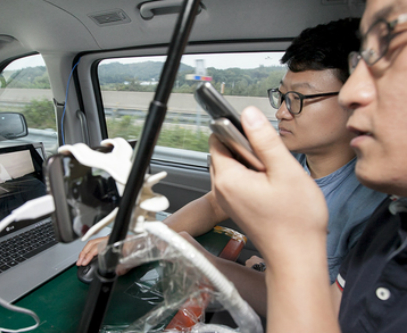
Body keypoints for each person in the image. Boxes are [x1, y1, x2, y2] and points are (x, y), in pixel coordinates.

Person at [78, 18, 386, 284]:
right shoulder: (288, 157)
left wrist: (208, 265)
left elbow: (331, 314)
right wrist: (140, 243)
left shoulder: (376, 210)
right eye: (281, 96)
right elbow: (215, 205)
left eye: (299, 98)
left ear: (357, 99)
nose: (281, 113)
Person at [207, 0, 407, 331]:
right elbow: (326, 315)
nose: (352, 93)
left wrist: (287, 246)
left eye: (392, 52)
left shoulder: (372, 207)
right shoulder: (389, 225)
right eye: (362, 62)